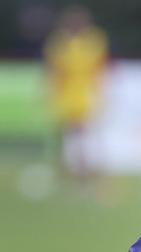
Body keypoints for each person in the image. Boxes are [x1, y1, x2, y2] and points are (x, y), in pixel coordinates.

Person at [43, 5, 107, 180]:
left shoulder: (93, 40)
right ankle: (68, 171)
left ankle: (84, 172)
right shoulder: (59, 42)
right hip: (66, 94)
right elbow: (53, 69)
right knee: (65, 135)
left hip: (85, 94)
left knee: (83, 136)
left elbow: (99, 67)